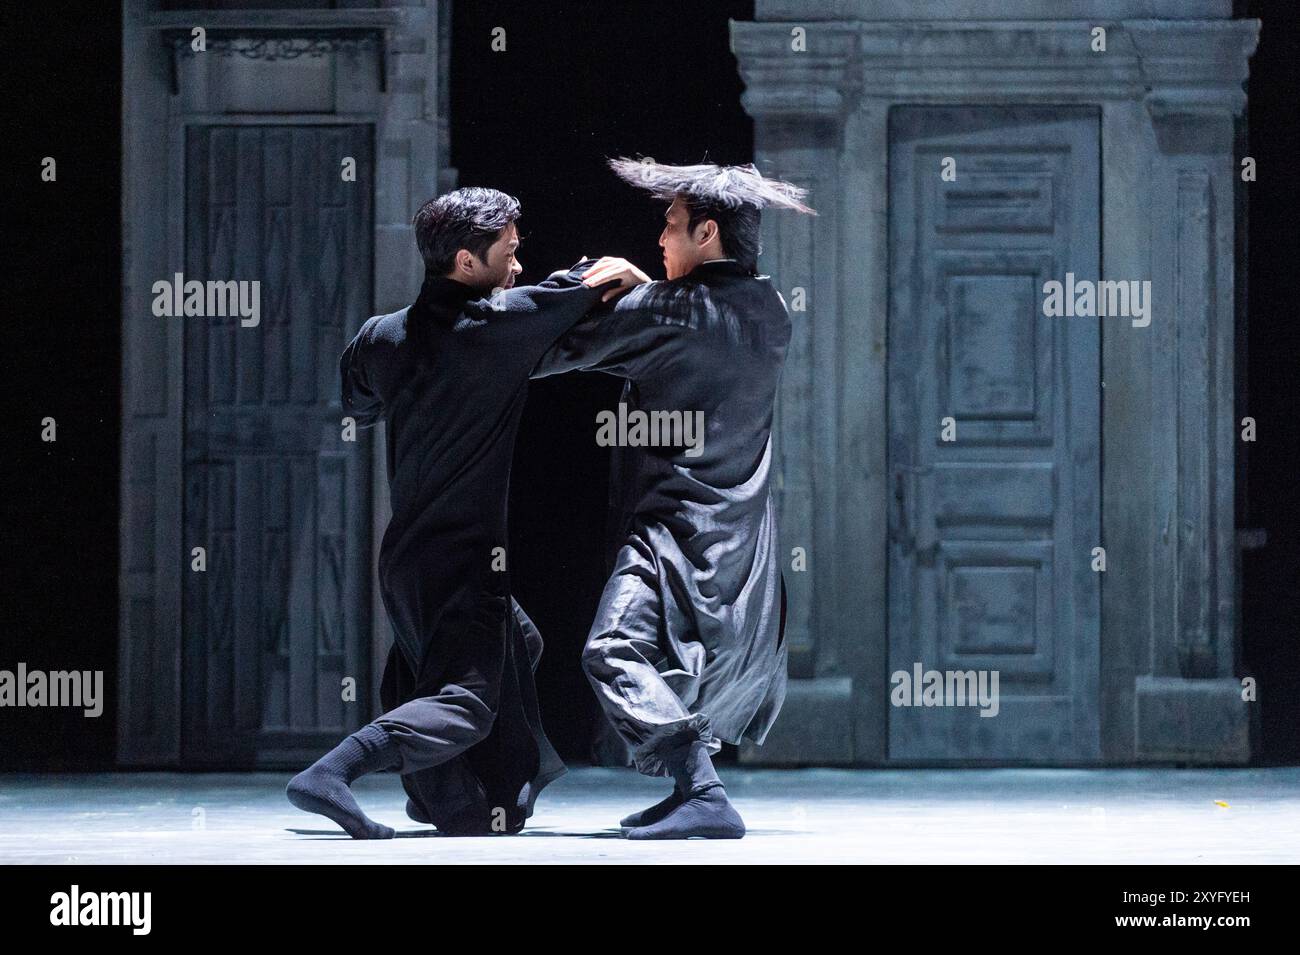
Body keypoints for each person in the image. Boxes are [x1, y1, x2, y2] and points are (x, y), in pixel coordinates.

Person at [286, 187, 628, 838]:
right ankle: (333, 772)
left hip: (405, 559)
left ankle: (443, 793)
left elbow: (357, 402)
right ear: (468, 262)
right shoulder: (501, 323)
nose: (519, 266)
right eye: (509, 252)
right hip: (466, 560)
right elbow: (600, 281)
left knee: (516, 642)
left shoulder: (380, 335)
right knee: (467, 701)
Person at [532, 158, 816, 839]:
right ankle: (693, 787)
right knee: (678, 663)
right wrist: (650, 291)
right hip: (739, 537)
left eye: (671, 223)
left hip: (673, 530)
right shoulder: (770, 310)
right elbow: (689, 325)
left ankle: (704, 791)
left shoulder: (664, 310)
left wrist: (575, 287)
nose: (659, 236)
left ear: (706, 232)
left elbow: (546, 351)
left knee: (611, 648)